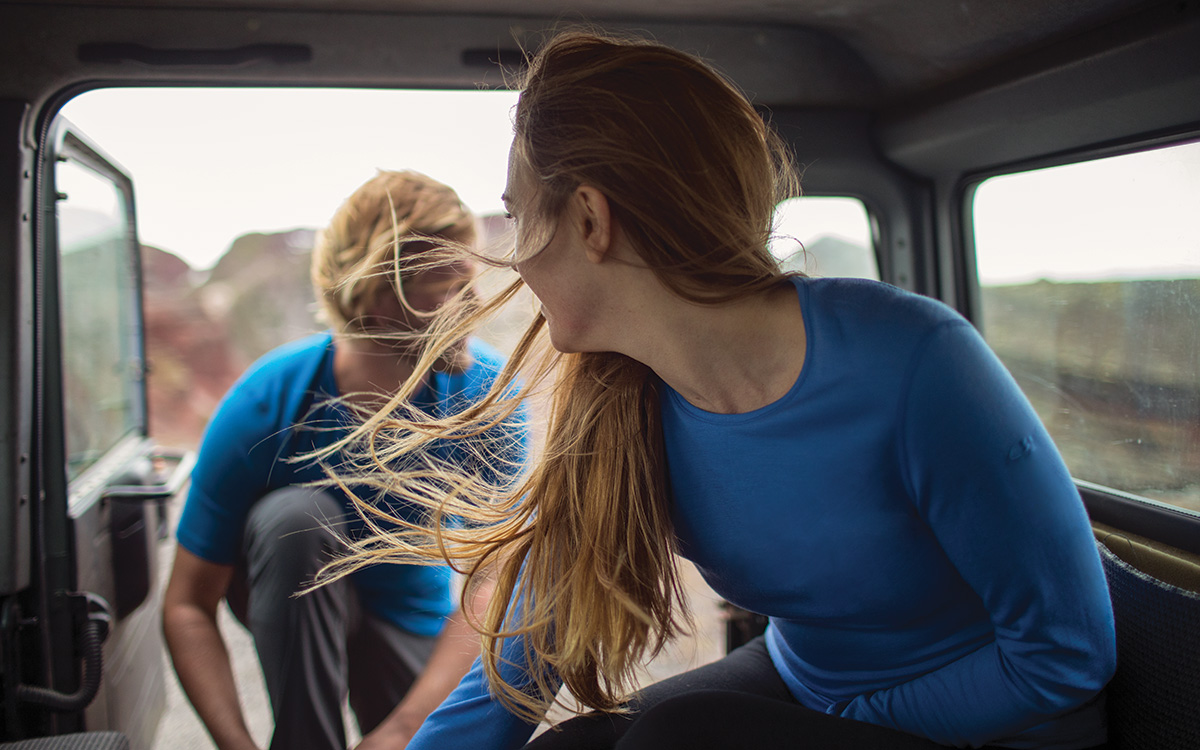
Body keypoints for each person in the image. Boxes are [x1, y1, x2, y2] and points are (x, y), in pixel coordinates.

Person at [326, 32, 1117, 750]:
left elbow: (1065, 657)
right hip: (805, 690)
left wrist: (834, 728)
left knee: (676, 739)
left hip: (996, 722)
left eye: (519, 217)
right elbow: (519, 665)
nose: (517, 259)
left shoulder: (914, 361)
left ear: (592, 219)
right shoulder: (619, 399)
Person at [162, 170, 523, 750]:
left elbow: (495, 579)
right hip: (294, 601)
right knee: (293, 519)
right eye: (451, 288)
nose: (475, 306)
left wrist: (404, 728)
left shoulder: (486, 398)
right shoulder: (268, 402)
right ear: (378, 299)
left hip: (411, 618)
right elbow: (187, 604)